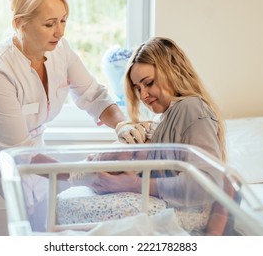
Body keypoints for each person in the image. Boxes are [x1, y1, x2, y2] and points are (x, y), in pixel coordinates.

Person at [0, 0, 141, 236]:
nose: (60, 31)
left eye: (64, 20)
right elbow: (19, 151)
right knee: (6, 240)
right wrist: (80, 174)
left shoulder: (59, 49)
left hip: (32, 152)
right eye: (50, 24)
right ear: (20, 24)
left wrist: (122, 123)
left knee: (40, 236)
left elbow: (94, 95)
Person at [90, 37, 230, 235]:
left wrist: (136, 184)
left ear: (174, 71)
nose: (143, 95)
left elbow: (205, 183)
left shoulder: (191, 108)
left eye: (148, 83)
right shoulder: (163, 118)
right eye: (138, 88)